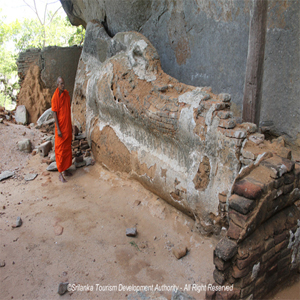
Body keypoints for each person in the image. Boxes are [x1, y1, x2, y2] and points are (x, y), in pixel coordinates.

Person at [51, 77, 73, 183]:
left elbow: (68, 110)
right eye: (61, 84)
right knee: (60, 150)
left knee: (67, 148)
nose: (63, 85)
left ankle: (66, 170)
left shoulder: (66, 95)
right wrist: (58, 129)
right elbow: (54, 113)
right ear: (57, 85)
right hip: (60, 128)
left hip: (67, 126)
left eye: (63, 83)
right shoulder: (55, 97)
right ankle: (60, 173)